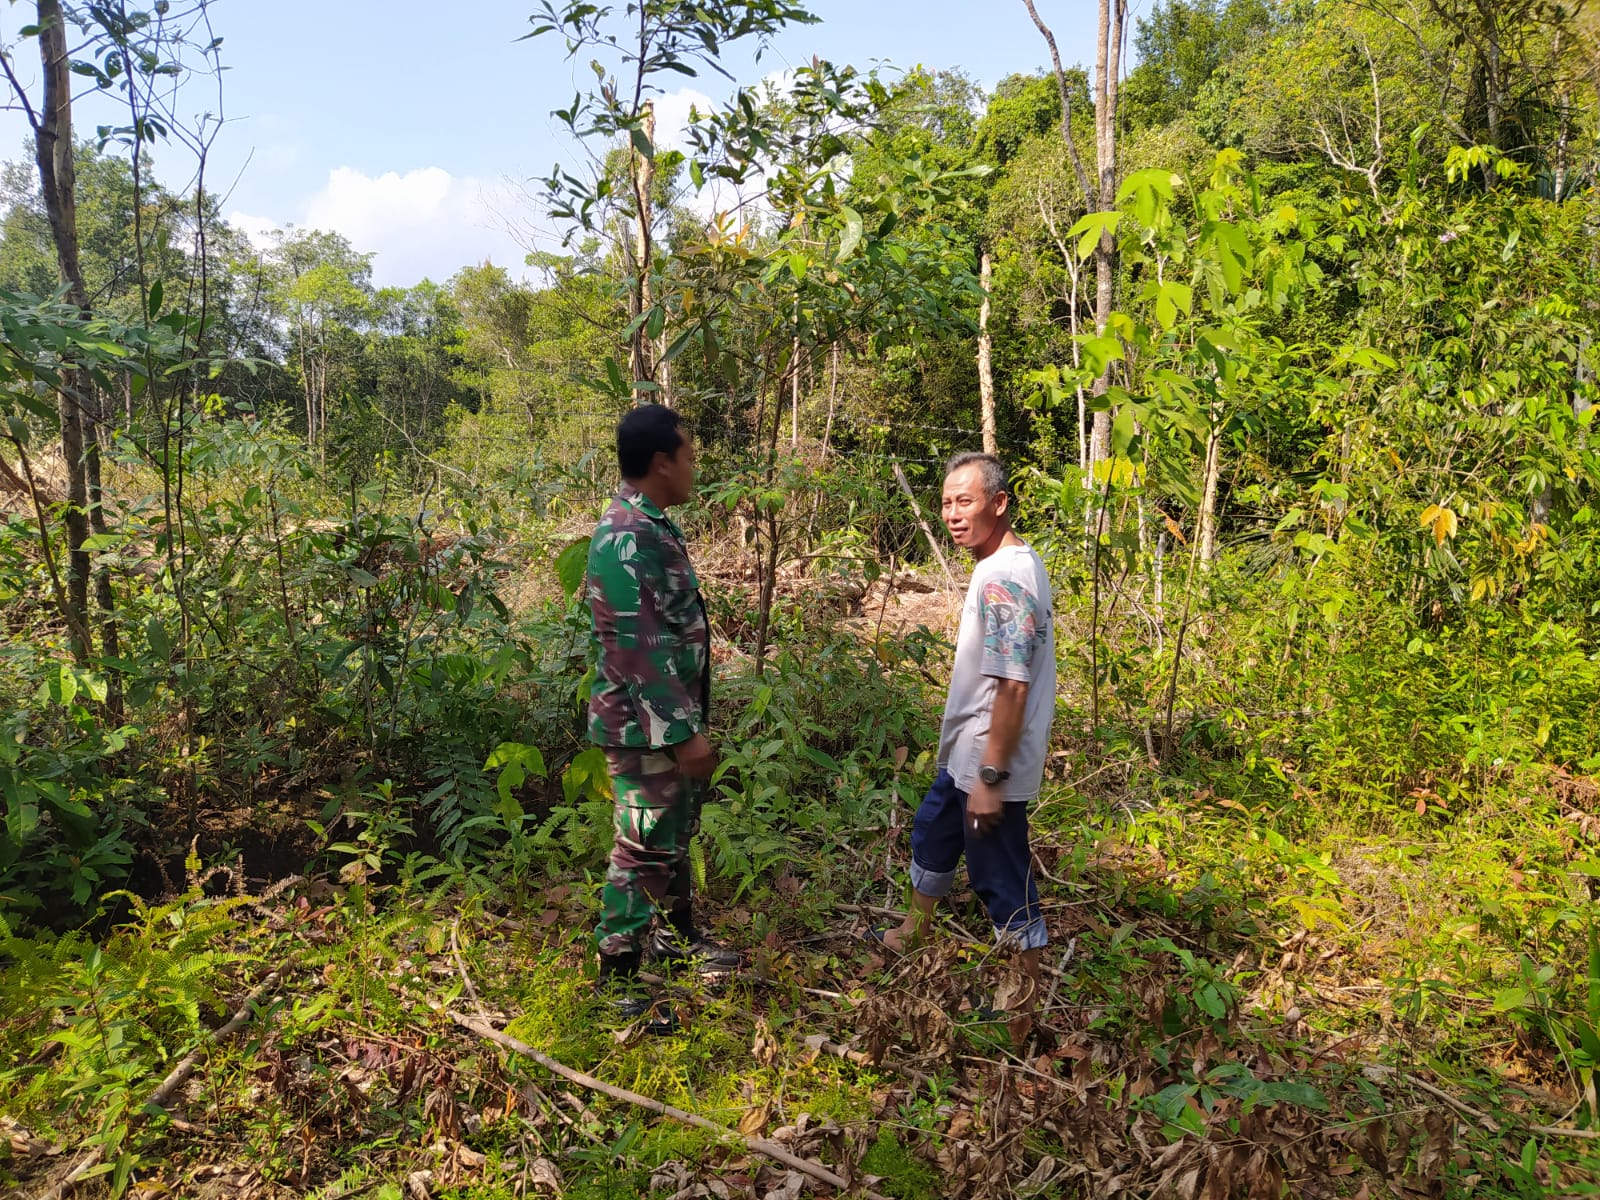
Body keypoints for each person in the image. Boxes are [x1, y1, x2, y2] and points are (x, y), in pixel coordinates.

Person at [877, 452, 1056, 1011]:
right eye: (947, 503)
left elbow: (1013, 687)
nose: (953, 515)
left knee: (1000, 876)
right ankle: (914, 932)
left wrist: (988, 776)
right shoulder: (1002, 564)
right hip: (965, 758)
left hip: (987, 764)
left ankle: (1023, 1001)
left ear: (999, 504)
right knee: (933, 836)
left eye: (966, 501)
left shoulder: (1005, 577)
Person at [585, 404, 739, 1021]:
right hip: (644, 724)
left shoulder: (651, 524)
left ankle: (677, 944)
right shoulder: (625, 533)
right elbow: (635, 644)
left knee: (672, 836)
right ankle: (618, 976)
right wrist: (681, 736)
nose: (694, 470)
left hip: (666, 721)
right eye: (690, 458)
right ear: (661, 462)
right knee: (645, 844)